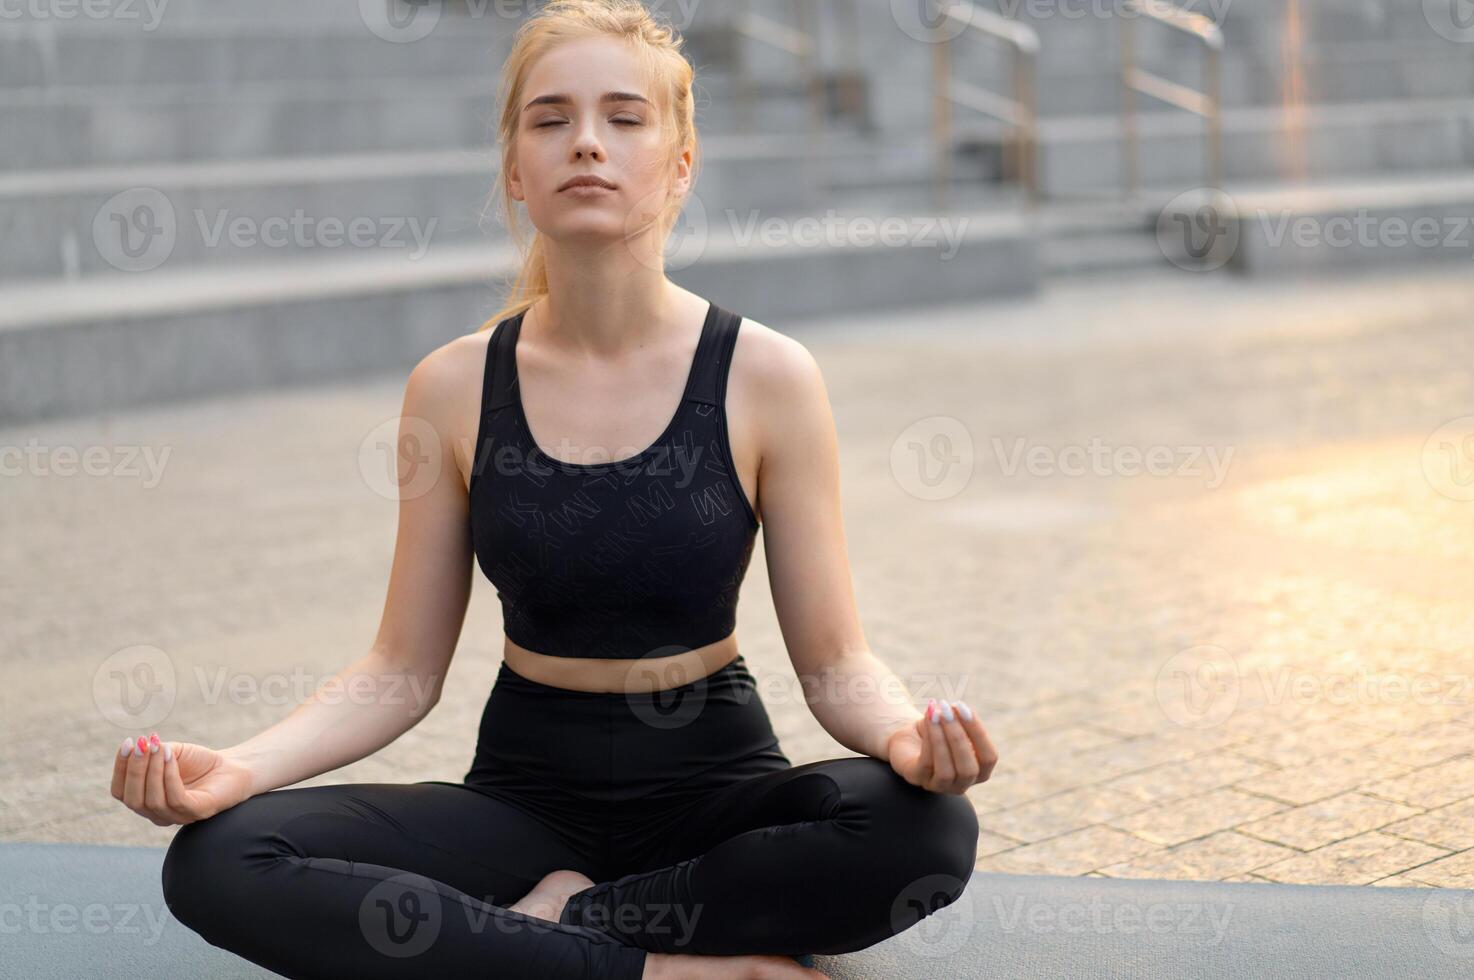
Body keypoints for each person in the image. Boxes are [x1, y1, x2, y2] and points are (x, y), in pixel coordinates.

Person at [110, 2, 996, 977]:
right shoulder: (450, 386)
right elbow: (400, 668)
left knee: (925, 830)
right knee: (221, 857)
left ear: (680, 163)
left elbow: (835, 662)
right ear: (515, 173)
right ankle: (666, 966)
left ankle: (567, 926)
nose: (586, 143)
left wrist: (907, 739)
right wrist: (242, 764)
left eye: (623, 117)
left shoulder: (768, 375)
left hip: (714, 794)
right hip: (523, 798)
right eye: (550, 119)